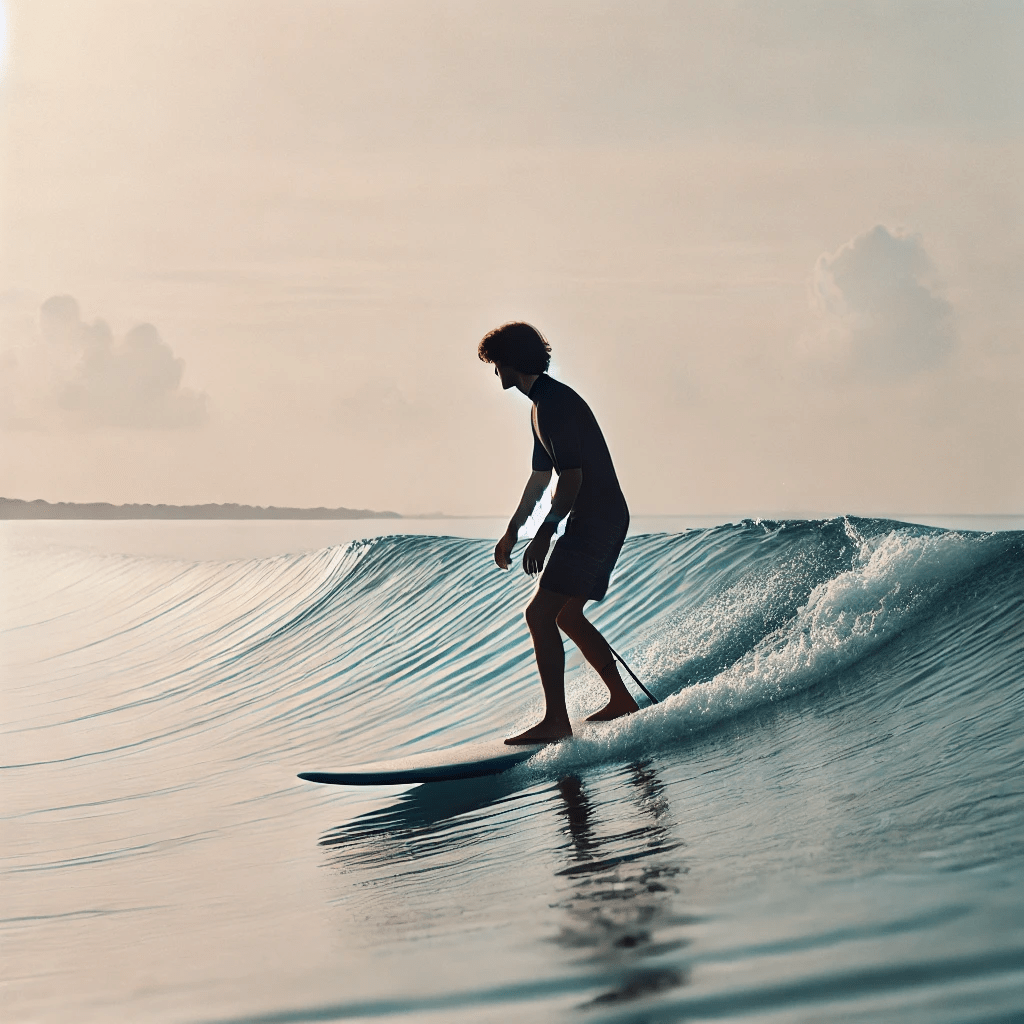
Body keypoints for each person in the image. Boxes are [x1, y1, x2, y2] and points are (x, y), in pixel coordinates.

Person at [478, 321, 638, 745]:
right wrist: (513, 531)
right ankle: (621, 699)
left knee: (538, 614)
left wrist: (546, 532)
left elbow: (571, 478)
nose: (494, 371)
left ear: (511, 361)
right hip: (597, 517)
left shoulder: (553, 404)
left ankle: (556, 722)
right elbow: (538, 480)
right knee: (564, 614)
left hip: (597, 518)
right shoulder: (539, 406)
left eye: (496, 362)